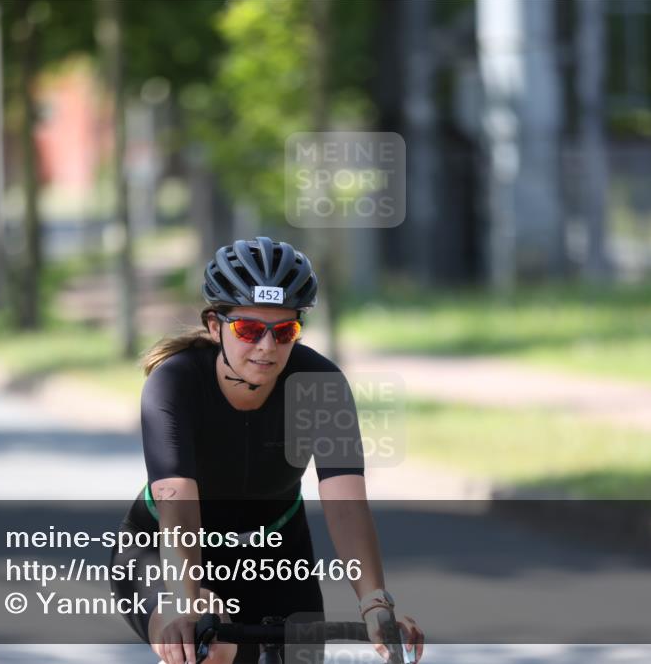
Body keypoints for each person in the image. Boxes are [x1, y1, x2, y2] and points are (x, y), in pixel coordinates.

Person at [111, 237, 424, 664]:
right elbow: (177, 502)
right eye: (249, 330)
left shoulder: (320, 385)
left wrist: (375, 604)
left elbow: (346, 503)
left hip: (277, 554)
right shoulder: (176, 382)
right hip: (166, 553)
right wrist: (187, 605)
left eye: (284, 331)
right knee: (209, 649)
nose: (266, 346)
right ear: (214, 325)